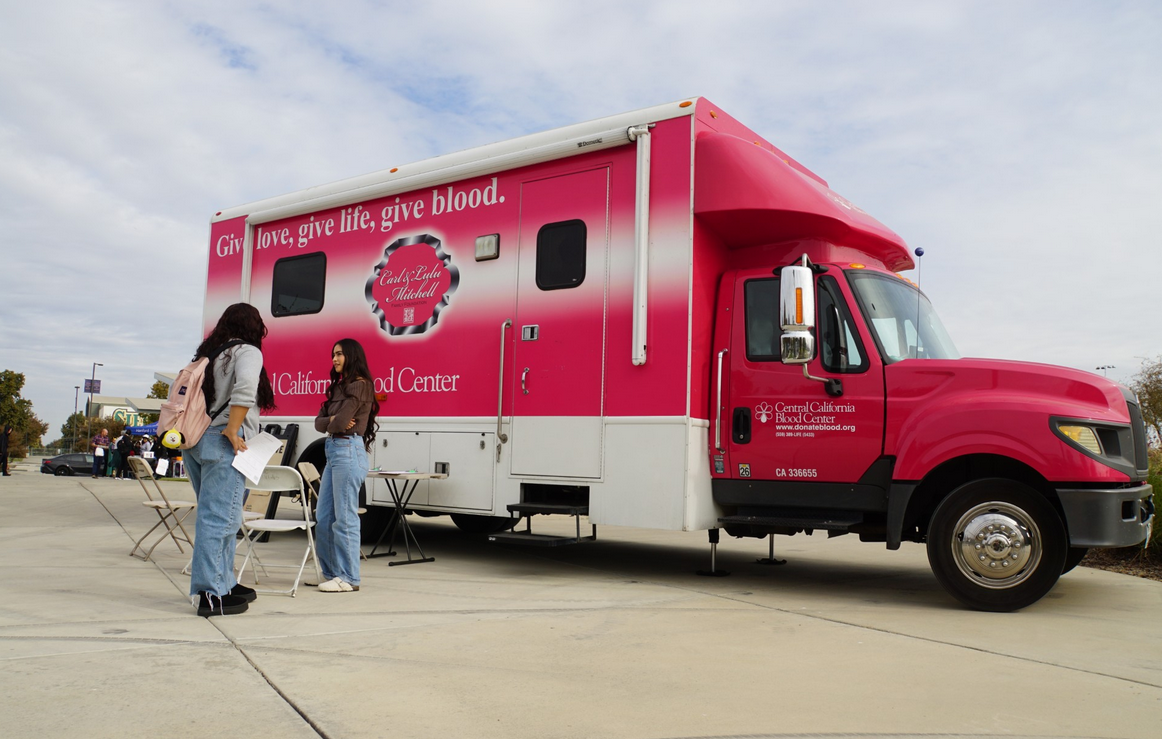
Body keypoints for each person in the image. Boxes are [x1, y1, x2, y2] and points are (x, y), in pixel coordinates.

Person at [184, 303, 276, 617]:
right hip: (223, 441)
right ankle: (210, 595)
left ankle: (225, 583)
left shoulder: (208, 354)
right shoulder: (247, 351)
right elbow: (246, 387)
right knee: (219, 521)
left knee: (221, 519)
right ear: (254, 327)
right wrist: (234, 429)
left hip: (195, 441)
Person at [312, 338, 379, 593]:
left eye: (339, 354)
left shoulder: (362, 386)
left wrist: (332, 421)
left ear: (352, 356)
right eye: (333, 355)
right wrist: (332, 419)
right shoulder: (339, 388)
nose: (335, 359)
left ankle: (349, 577)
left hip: (348, 451)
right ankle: (331, 573)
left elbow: (340, 425)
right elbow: (320, 422)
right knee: (324, 516)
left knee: (345, 518)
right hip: (334, 451)